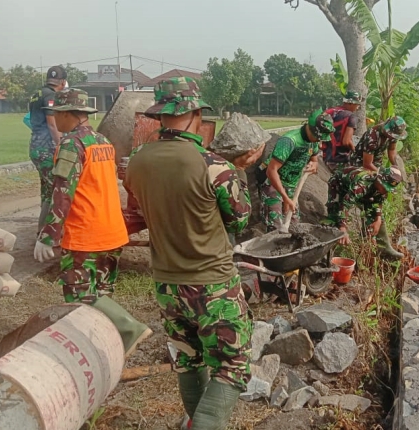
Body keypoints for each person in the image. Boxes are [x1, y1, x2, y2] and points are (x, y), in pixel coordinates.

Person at [123, 77, 263, 430]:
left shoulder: (137, 161)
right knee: (232, 367)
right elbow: (241, 219)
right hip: (212, 285)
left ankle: (192, 420)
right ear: (195, 114)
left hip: (167, 286)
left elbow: (138, 211)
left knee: (188, 359)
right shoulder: (214, 165)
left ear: (161, 116)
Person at [32, 88, 152, 358]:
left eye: (56, 113)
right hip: (111, 233)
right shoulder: (102, 142)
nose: (54, 118)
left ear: (67, 114)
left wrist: (48, 235)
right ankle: (104, 346)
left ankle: (128, 329)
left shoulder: (71, 145)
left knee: (79, 296)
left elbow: (63, 192)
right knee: (100, 293)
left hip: (86, 235)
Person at [257, 109, 335, 232]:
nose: (320, 143)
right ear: (311, 129)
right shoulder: (289, 141)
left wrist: (314, 164)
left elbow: (314, 159)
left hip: (292, 186)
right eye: (318, 138)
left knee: (294, 227)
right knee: (275, 227)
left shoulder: (313, 141)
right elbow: (271, 171)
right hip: (273, 183)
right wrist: (285, 198)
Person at [347, 116, 408, 259]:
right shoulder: (372, 135)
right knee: (367, 203)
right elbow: (367, 163)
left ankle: (382, 246)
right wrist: (382, 177)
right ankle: (368, 244)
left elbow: (392, 151)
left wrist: (395, 167)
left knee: (376, 203)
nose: (391, 138)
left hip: (377, 168)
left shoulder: (393, 134)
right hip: (361, 168)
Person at [28, 65, 69, 232]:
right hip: (47, 149)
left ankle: (42, 229)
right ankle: (50, 233)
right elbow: (52, 125)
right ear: (62, 82)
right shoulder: (51, 96)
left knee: (47, 189)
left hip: (36, 146)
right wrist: (61, 147)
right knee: (56, 189)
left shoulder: (37, 94)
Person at [325, 165, 403, 246]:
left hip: (365, 192)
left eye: (387, 189)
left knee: (373, 217)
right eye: (384, 188)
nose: (385, 191)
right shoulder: (362, 186)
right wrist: (343, 228)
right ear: (379, 180)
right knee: (335, 214)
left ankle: (366, 242)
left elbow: (378, 202)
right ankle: (331, 240)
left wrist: (378, 219)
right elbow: (345, 204)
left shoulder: (382, 190)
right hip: (339, 184)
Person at [322, 90, 362, 171]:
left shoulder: (330, 111)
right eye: (357, 104)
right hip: (339, 160)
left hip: (326, 155)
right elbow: (346, 142)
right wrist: (355, 150)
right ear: (351, 103)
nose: (358, 107)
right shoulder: (351, 116)